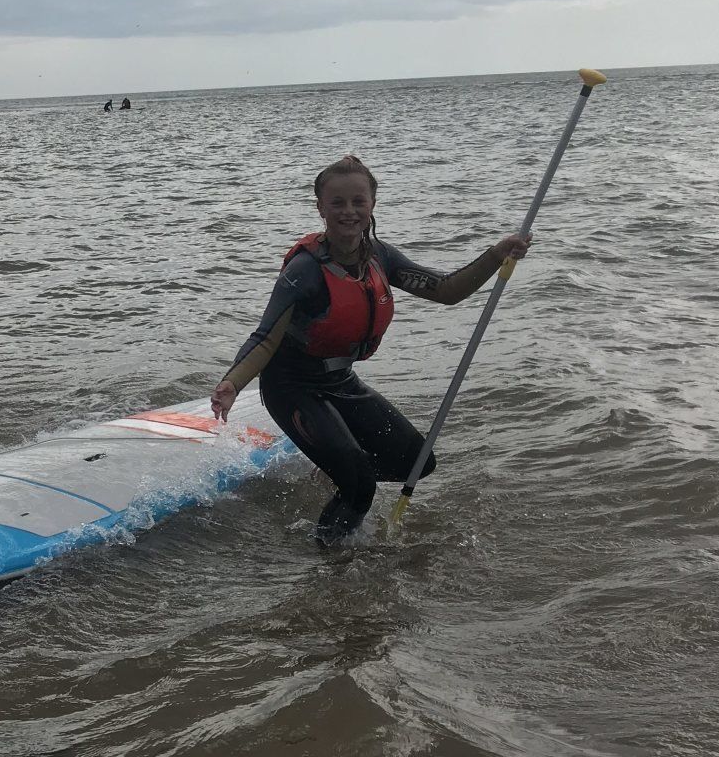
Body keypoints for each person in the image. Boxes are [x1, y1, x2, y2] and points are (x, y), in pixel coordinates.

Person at [210, 153, 531, 540]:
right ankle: (330, 560)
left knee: (417, 462)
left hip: (340, 381)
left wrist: (497, 255)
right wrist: (233, 383)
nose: (349, 211)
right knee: (360, 487)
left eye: (358, 201)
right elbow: (266, 337)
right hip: (291, 387)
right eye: (338, 203)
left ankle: (337, 468)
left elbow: (447, 291)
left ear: (372, 204)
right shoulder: (305, 271)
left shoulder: (381, 257)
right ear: (321, 209)